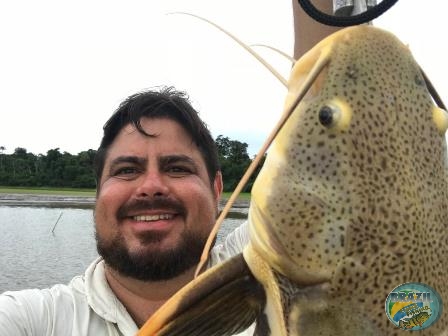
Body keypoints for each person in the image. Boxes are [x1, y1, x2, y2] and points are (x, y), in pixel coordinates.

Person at [0, 1, 342, 335]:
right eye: (126, 170)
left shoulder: (274, 263)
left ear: (217, 189)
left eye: (177, 168)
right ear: (98, 193)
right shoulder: (33, 320)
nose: (150, 186)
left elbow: (329, 127)